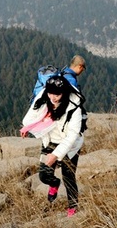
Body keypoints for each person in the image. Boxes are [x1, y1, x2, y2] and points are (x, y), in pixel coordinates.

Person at [20, 74, 85, 217]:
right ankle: (54, 184)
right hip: (49, 141)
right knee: (44, 175)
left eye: (57, 94)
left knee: (69, 176)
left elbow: (72, 135)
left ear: (64, 92)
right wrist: (27, 127)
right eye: (50, 93)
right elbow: (32, 115)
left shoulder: (74, 107)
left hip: (70, 146)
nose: (53, 97)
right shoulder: (44, 97)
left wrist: (56, 155)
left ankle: (73, 207)